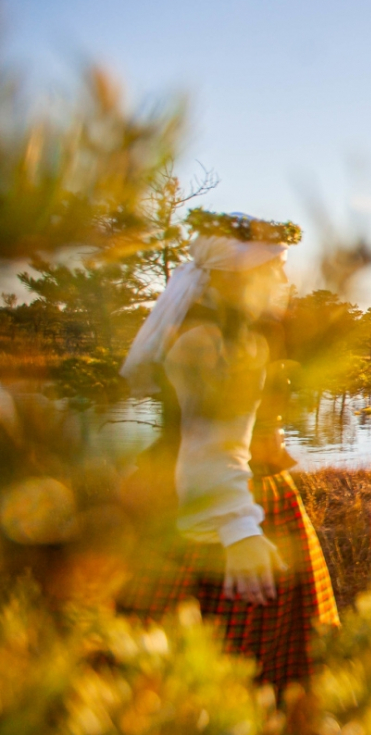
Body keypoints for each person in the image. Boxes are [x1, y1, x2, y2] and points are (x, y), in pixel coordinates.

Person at [116, 210, 338, 693]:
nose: (283, 277)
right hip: (226, 499)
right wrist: (239, 530)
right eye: (273, 266)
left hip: (205, 490)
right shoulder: (215, 339)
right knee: (234, 659)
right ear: (238, 275)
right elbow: (210, 440)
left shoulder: (222, 328)